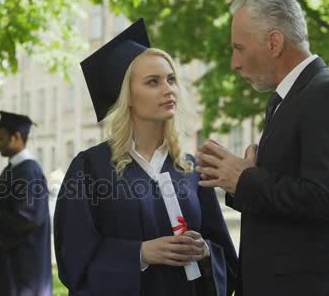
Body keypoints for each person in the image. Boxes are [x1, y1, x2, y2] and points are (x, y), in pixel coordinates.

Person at [196, 0, 329, 295]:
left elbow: (324, 199)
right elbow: (287, 195)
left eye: (239, 48)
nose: (234, 63)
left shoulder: (328, 95)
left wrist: (245, 178)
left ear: (274, 42)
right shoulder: (285, 99)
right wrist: (236, 179)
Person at [54, 19, 237, 296]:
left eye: (171, 79)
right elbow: (74, 260)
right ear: (126, 95)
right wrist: (140, 254)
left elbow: (226, 258)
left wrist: (205, 251)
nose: (168, 89)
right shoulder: (90, 168)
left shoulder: (190, 168)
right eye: (153, 82)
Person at [0, 110, 52, 296]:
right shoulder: (13, 169)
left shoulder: (29, 172)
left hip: (22, 270)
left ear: (16, 137)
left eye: (1, 138)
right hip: (8, 264)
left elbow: (27, 218)